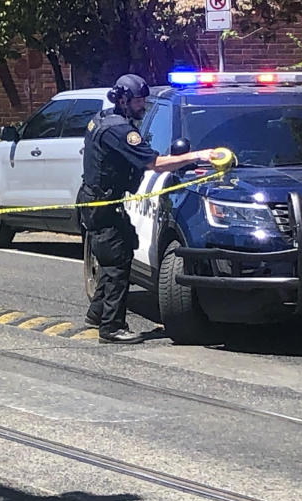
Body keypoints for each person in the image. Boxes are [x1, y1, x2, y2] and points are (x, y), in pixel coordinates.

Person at [79, 74, 218, 344]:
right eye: (139, 101)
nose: (143, 105)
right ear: (123, 100)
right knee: (117, 264)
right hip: (103, 205)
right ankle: (112, 328)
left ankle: (97, 313)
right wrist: (198, 156)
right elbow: (154, 163)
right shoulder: (120, 131)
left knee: (116, 256)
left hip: (99, 202)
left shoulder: (102, 119)